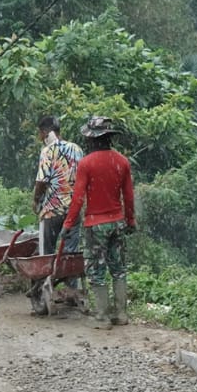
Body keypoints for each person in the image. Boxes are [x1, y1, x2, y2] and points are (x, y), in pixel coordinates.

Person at [62, 115, 136, 328]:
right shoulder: (122, 161)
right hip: (117, 223)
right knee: (119, 268)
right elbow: (128, 197)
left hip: (96, 225)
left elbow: (77, 199)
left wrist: (67, 225)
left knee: (96, 270)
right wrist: (130, 221)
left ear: (93, 139)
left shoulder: (86, 164)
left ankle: (102, 317)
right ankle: (121, 314)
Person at [31, 114, 84, 307]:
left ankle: (46, 293)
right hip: (74, 210)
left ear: (44, 132)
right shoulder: (77, 149)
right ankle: (71, 292)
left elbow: (42, 181)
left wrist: (36, 201)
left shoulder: (47, 151)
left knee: (47, 254)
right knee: (70, 253)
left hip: (51, 211)